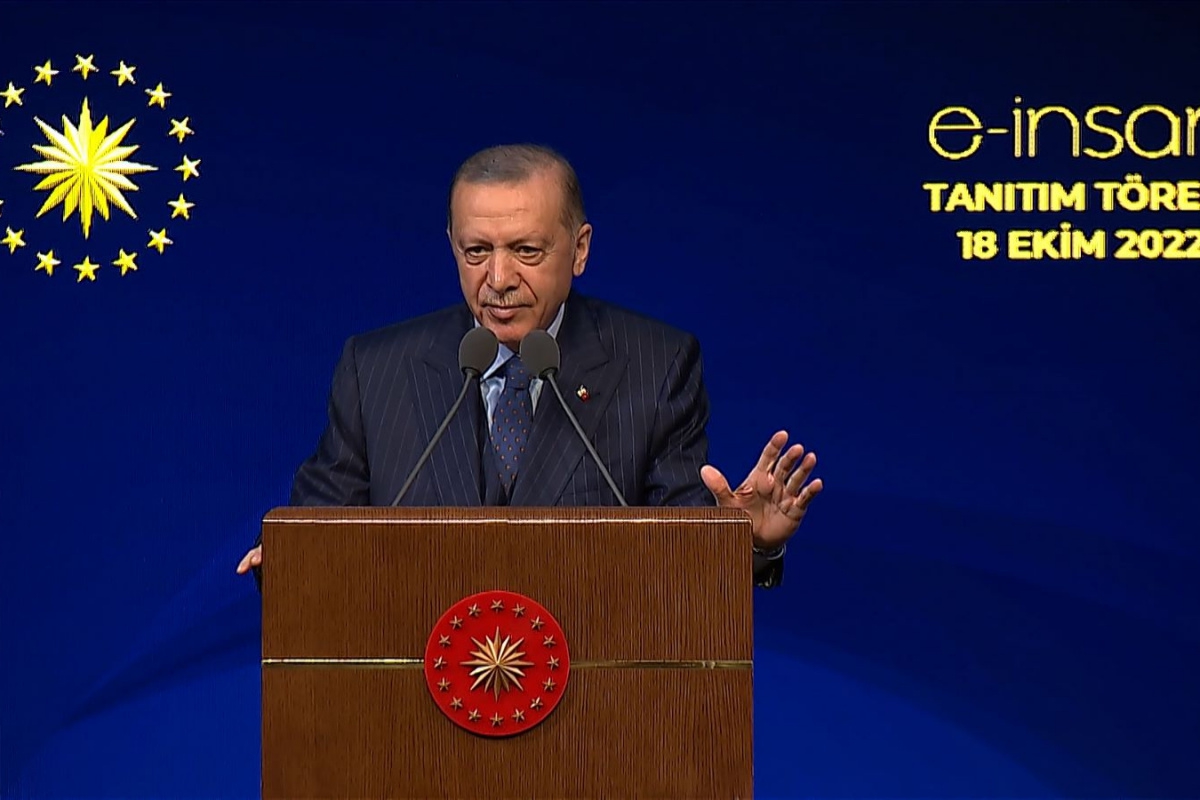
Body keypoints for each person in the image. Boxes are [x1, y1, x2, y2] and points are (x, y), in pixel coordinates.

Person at [237, 144, 822, 587]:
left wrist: (744, 544)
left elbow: (680, 564)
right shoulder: (376, 370)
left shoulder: (656, 365)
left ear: (580, 249)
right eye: (476, 251)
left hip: (590, 695)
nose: (498, 279)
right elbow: (316, 535)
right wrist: (291, 562)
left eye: (525, 251)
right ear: (452, 246)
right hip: (415, 697)